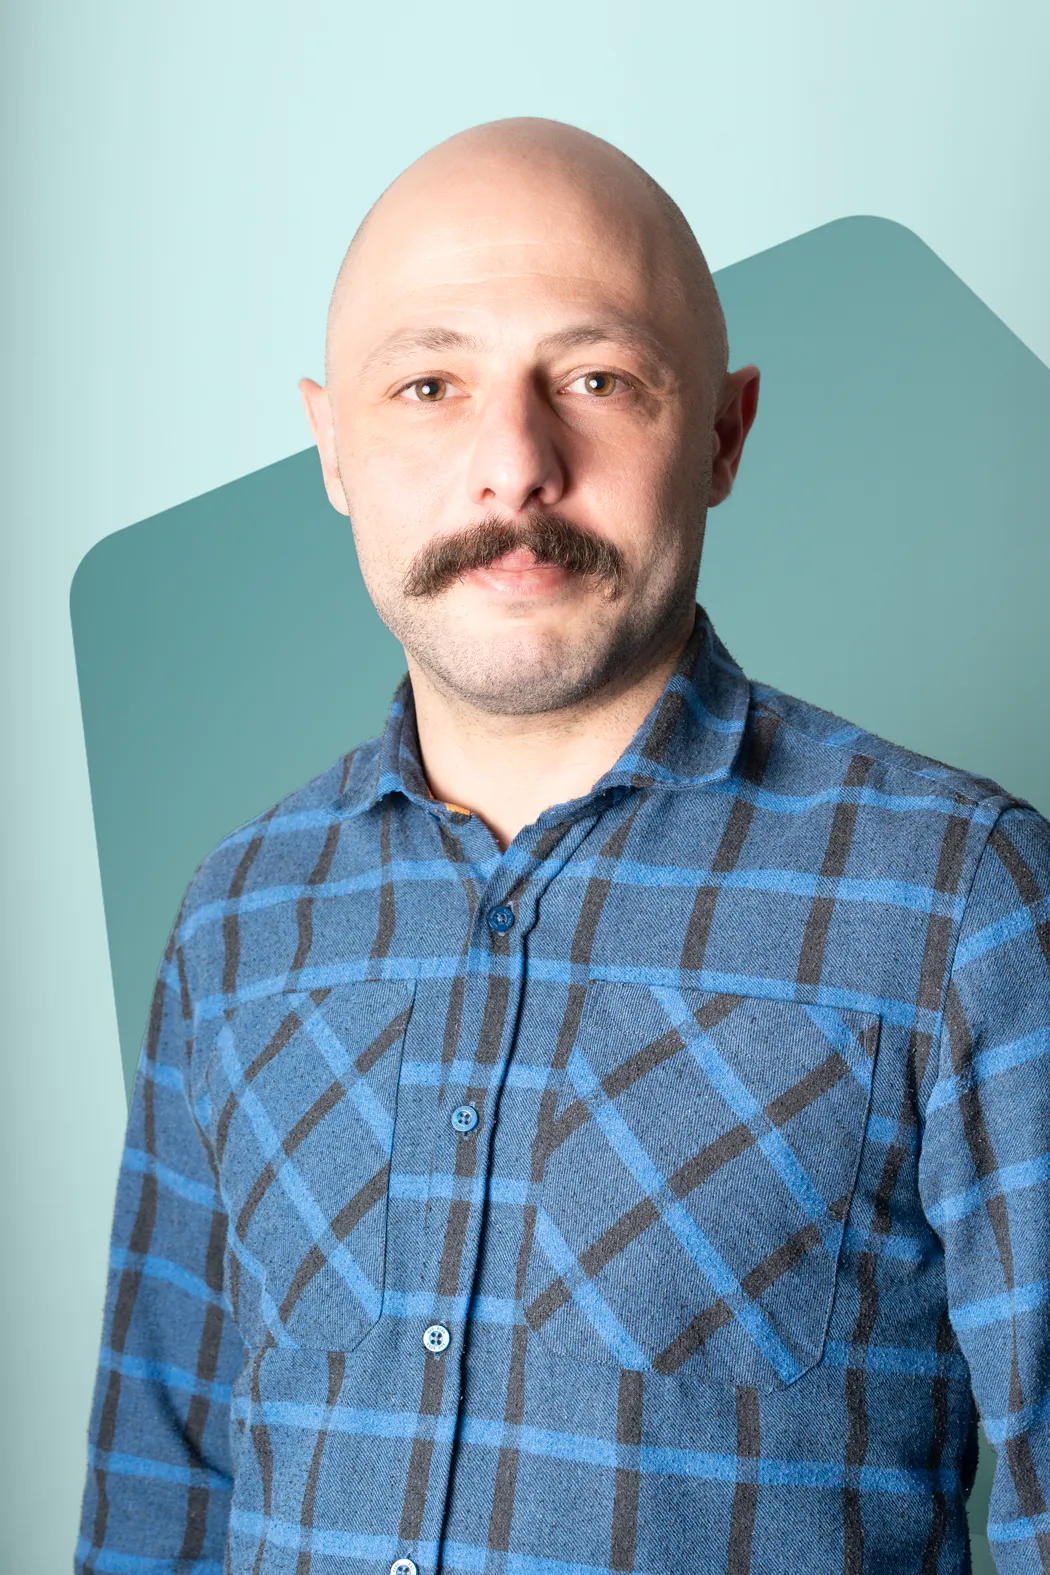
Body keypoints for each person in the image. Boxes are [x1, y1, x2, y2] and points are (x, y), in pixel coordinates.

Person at [76, 117, 1050, 1575]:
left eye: (595, 380)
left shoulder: (957, 901)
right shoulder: (235, 922)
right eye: (428, 385)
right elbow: (159, 1495)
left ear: (722, 433)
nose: (513, 466)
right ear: (332, 446)